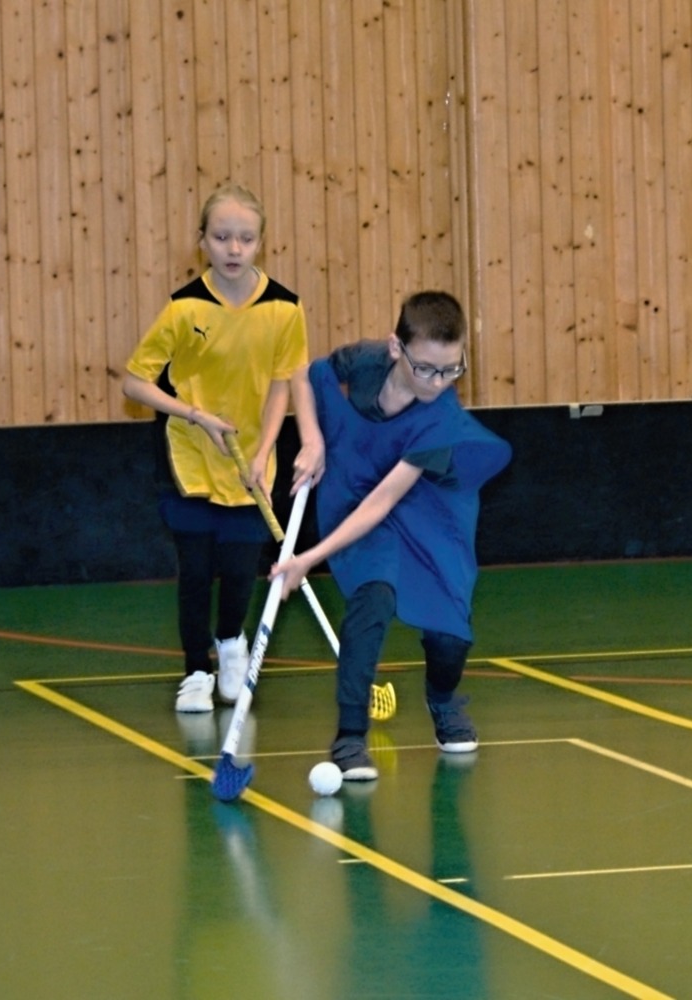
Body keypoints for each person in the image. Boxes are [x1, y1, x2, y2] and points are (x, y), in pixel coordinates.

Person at [276, 291, 511, 780]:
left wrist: (308, 559)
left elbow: (385, 501)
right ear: (394, 348)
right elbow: (304, 375)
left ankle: (443, 700)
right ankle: (350, 737)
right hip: (357, 487)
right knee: (373, 596)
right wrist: (312, 439)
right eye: (425, 368)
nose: (437, 382)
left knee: (449, 631)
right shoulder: (364, 361)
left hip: (427, 504)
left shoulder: (440, 417)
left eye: (451, 370)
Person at [123, 183, 308, 714]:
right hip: (190, 456)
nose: (233, 248)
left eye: (245, 238)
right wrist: (194, 415)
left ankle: (230, 642)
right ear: (202, 240)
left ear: (260, 243)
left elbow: (283, 385)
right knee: (197, 570)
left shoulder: (284, 308)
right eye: (222, 237)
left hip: (251, 460)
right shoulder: (185, 307)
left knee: (240, 567)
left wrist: (264, 451)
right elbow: (135, 382)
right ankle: (195, 671)